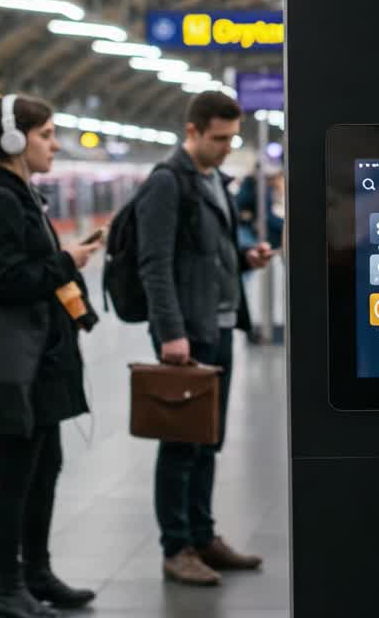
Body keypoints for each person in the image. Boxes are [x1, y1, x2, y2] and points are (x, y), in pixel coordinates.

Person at [0, 93, 101, 617]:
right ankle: (6, 588)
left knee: (46, 465)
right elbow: (4, 279)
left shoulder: (21, 196)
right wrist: (67, 261)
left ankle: (37, 574)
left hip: (41, 357)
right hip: (19, 359)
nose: (56, 145)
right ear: (15, 140)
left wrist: (65, 265)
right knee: (15, 471)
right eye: (46, 135)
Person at [136, 91, 275, 587]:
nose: (226, 147)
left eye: (232, 138)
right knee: (180, 443)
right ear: (192, 131)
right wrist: (171, 333)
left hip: (217, 324)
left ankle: (203, 533)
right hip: (187, 335)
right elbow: (154, 264)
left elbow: (208, 254)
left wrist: (244, 260)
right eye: (219, 139)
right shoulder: (167, 183)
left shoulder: (214, 180)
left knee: (208, 440)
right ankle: (177, 548)